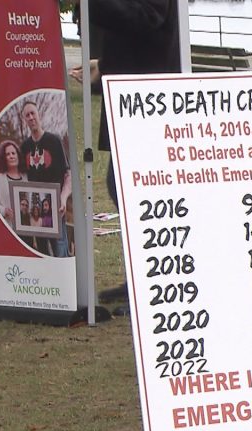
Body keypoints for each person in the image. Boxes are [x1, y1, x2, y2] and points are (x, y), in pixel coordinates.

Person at [88, 0, 181, 307]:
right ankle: (137, 279)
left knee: (143, 196)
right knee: (121, 188)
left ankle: (152, 285)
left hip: (148, 101)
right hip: (128, 96)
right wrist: (103, 66)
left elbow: (148, 17)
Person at [20, 100, 71, 257]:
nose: (31, 117)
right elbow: (23, 180)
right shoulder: (24, 147)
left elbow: (67, 174)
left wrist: (63, 198)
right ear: (25, 120)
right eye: (27, 115)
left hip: (55, 207)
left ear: (39, 115)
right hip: (36, 210)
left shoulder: (53, 141)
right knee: (42, 252)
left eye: (33, 113)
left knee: (59, 251)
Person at [0, 140, 27, 228]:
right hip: (7, 228)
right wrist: (4, 211)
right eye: (8, 154)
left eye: (13, 153)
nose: (11, 156)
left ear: (18, 155)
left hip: (25, 229)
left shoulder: (26, 177)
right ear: (3, 158)